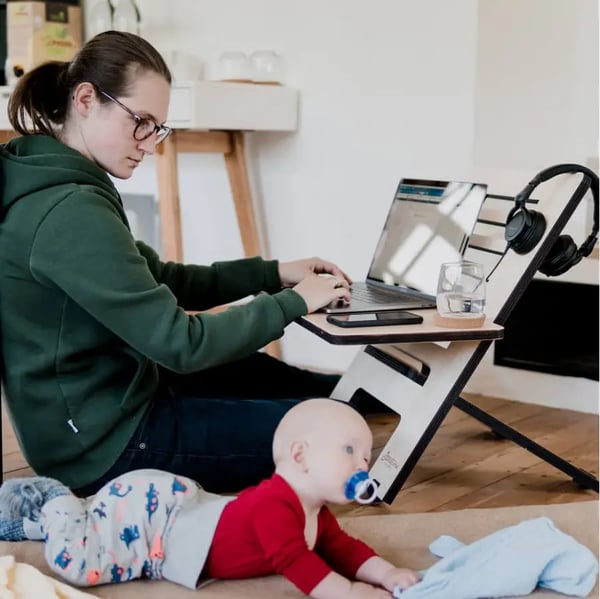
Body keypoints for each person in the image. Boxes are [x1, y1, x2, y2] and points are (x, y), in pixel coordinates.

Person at [0, 30, 354, 498]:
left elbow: (163, 279)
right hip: (106, 446)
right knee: (325, 432)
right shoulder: (68, 210)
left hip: (113, 402)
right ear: (85, 100)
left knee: (272, 377)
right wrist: (295, 303)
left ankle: (352, 394)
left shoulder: (58, 180)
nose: (150, 145)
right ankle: (348, 407)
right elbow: (181, 344)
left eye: (158, 128)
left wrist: (273, 274)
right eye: (140, 122)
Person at [0, 398, 420, 598]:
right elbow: (295, 562)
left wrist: (385, 574)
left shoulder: (315, 512)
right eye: (350, 451)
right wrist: (350, 593)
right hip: (155, 528)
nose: (362, 463)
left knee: (97, 523)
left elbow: (341, 548)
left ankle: (33, 525)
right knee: (80, 564)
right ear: (300, 455)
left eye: (365, 456)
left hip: (177, 506)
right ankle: (54, 500)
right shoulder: (275, 505)